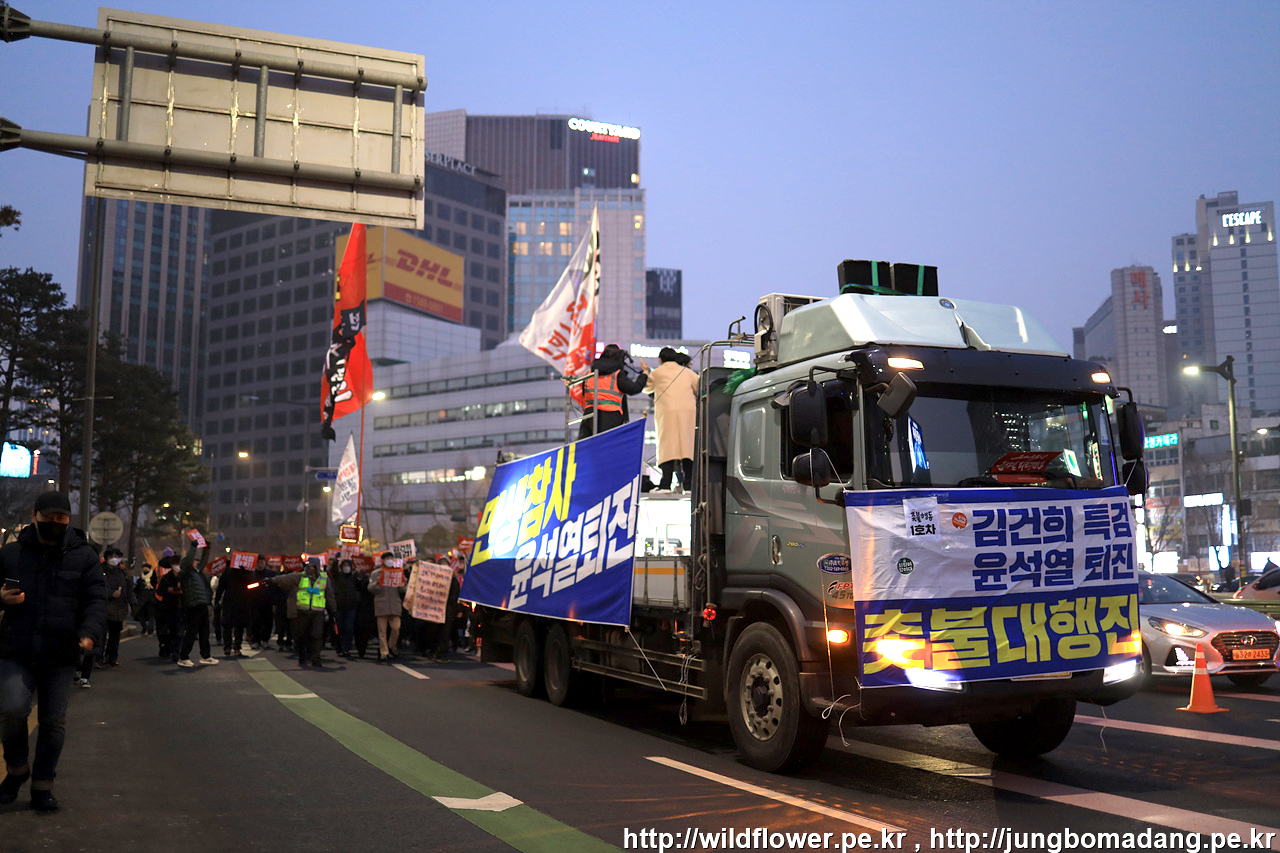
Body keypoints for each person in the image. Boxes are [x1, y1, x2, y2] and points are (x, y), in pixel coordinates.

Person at [0, 491, 107, 812]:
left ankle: (43, 785)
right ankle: (17, 770)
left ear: (68, 520)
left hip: (61, 653)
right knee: (12, 710)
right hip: (16, 648)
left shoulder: (84, 556)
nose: (55, 523)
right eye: (49, 517)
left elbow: (96, 600)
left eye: (61, 518)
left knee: (53, 722)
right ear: (34, 516)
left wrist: (89, 633)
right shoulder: (11, 553)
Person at [644, 346, 698, 493]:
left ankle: (665, 485)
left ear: (660, 360)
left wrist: (645, 372)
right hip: (687, 413)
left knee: (667, 448)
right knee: (687, 448)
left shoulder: (657, 373)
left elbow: (646, 388)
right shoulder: (688, 372)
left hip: (667, 414)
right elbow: (699, 387)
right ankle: (689, 486)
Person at [265, 559, 334, 667]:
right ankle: (303, 656)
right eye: (308, 566)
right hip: (302, 611)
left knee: (316, 635)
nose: (310, 569)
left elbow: (329, 596)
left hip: (317, 612)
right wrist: (272, 580)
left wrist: (333, 610)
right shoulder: (301, 577)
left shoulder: (324, 579)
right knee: (301, 635)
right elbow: (286, 579)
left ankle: (315, 658)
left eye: (312, 567)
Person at [576, 343, 649, 439]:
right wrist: (644, 374)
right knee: (609, 446)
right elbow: (633, 388)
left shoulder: (588, 373)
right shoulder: (617, 374)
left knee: (587, 446)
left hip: (589, 418)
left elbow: (584, 393)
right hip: (611, 419)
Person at [176, 543, 220, 668]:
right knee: (192, 631)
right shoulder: (185, 573)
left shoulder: (197, 573)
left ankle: (206, 656)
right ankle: (184, 657)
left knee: (205, 631)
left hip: (202, 604)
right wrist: (193, 547)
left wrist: (206, 548)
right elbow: (189, 560)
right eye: (194, 562)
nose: (196, 563)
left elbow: (203, 561)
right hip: (192, 605)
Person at [369, 553, 404, 661]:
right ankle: (384, 652)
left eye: (391, 558)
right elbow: (370, 588)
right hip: (381, 604)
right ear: (383, 560)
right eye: (387, 558)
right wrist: (377, 582)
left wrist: (404, 584)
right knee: (382, 631)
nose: (390, 560)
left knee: (396, 628)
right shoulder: (376, 573)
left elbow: (402, 590)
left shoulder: (397, 572)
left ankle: (391, 645)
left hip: (394, 604)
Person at [155, 556, 184, 661]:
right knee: (170, 630)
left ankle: (177, 652)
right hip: (169, 608)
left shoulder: (184, 577)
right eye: (175, 564)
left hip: (181, 607)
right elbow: (159, 591)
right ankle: (168, 648)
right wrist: (168, 590)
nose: (177, 566)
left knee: (179, 631)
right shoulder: (166, 578)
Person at [329, 559, 359, 658]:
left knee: (349, 628)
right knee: (338, 628)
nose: (347, 567)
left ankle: (347, 648)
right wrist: (335, 561)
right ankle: (339, 647)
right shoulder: (338, 576)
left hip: (351, 607)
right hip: (339, 607)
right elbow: (333, 571)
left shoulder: (354, 577)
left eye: (348, 565)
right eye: (344, 565)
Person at [133, 563, 157, 637]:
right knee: (142, 615)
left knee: (151, 616)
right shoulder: (140, 579)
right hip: (142, 600)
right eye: (144, 567)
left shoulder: (153, 577)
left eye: (147, 567)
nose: (145, 569)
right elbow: (136, 589)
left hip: (151, 600)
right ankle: (144, 628)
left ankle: (150, 630)